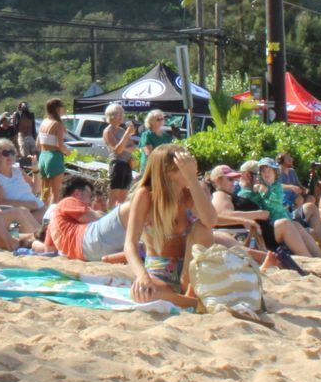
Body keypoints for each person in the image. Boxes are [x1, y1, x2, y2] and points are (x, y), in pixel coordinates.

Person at [123, 145, 215, 306]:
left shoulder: (188, 194)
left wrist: (193, 180)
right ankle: (191, 302)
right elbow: (130, 243)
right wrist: (141, 275)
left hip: (189, 269)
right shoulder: (146, 195)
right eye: (184, 165)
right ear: (169, 172)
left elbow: (211, 221)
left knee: (203, 229)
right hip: (160, 269)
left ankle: (187, 297)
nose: (191, 167)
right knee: (143, 293)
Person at [214, 164, 319, 263]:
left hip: (261, 230)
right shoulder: (220, 195)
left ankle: (320, 258)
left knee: (295, 225)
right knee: (285, 224)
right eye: (230, 179)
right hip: (255, 233)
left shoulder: (230, 195)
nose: (233, 182)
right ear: (218, 181)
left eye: (234, 179)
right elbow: (223, 215)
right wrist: (258, 214)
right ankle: (309, 259)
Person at [47, 174, 133, 261]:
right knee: (130, 207)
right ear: (77, 194)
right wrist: (100, 213)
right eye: (90, 196)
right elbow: (95, 218)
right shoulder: (67, 202)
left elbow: (49, 248)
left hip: (85, 254)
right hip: (89, 242)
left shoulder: (53, 219)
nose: (89, 202)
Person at [0, 138, 45, 237]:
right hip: (19, 218)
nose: (10, 156)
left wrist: (36, 170)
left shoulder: (17, 170)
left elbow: (36, 188)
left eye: (12, 152)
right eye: (5, 153)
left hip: (36, 210)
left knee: (57, 211)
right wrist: (28, 204)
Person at [36, 97, 69, 202]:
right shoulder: (57, 124)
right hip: (54, 157)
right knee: (55, 194)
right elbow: (60, 145)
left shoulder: (43, 122)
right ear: (58, 109)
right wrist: (68, 153)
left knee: (44, 193)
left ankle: (41, 216)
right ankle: (52, 217)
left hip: (43, 157)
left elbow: (37, 144)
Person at [102, 103, 138, 193]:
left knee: (124, 194)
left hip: (127, 164)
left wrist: (124, 148)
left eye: (122, 113)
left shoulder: (121, 130)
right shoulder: (108, 131)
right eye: (120, 113)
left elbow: (133, 147)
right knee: (115, 194)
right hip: (117, 165)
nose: (122, 116)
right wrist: (127, 134)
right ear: (112, 116)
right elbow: (117, 150)